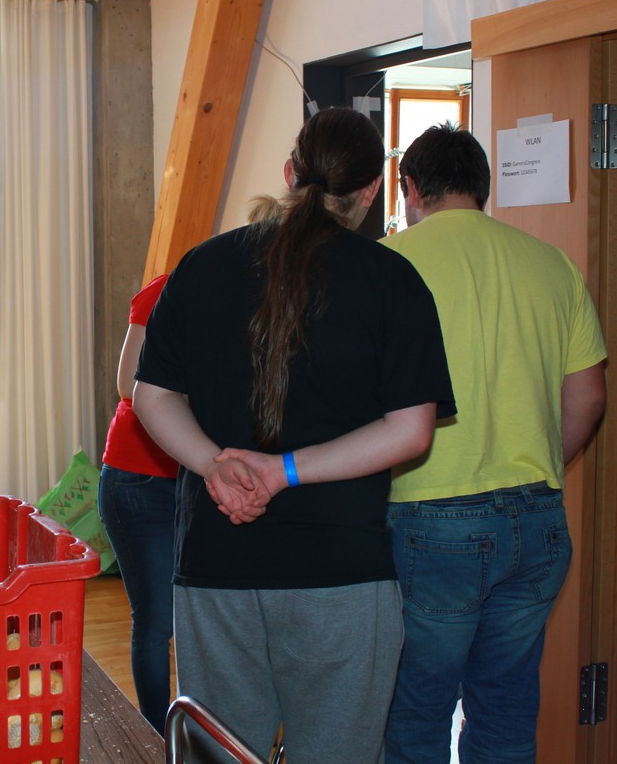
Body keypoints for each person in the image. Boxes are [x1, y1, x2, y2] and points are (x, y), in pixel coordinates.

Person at [133, 107, 455, 762]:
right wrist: (282, 471)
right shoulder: (392, 280)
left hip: (217, 562)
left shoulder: (202, 266)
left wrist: (215, 465)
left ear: (289, 173)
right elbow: (411, 430)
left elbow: (150, 395)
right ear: (371, 190)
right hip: (340, 571)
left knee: (221, 754)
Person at [379, 122, 608, 763]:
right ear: (483, 188)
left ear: (410, 187)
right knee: (506, 711)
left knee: (415, 717)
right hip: (537, 518)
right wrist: (542, 460)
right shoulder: (552, 264)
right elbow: (590, 396)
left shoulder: (388, 262)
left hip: (429, 518)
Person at [97, 272, 179, 734]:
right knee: (156, 619)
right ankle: (156, 738)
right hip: (139, 478)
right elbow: (128, 385)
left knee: (196, 617)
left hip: (197, 481)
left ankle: (194, 732)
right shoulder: (166, 289)